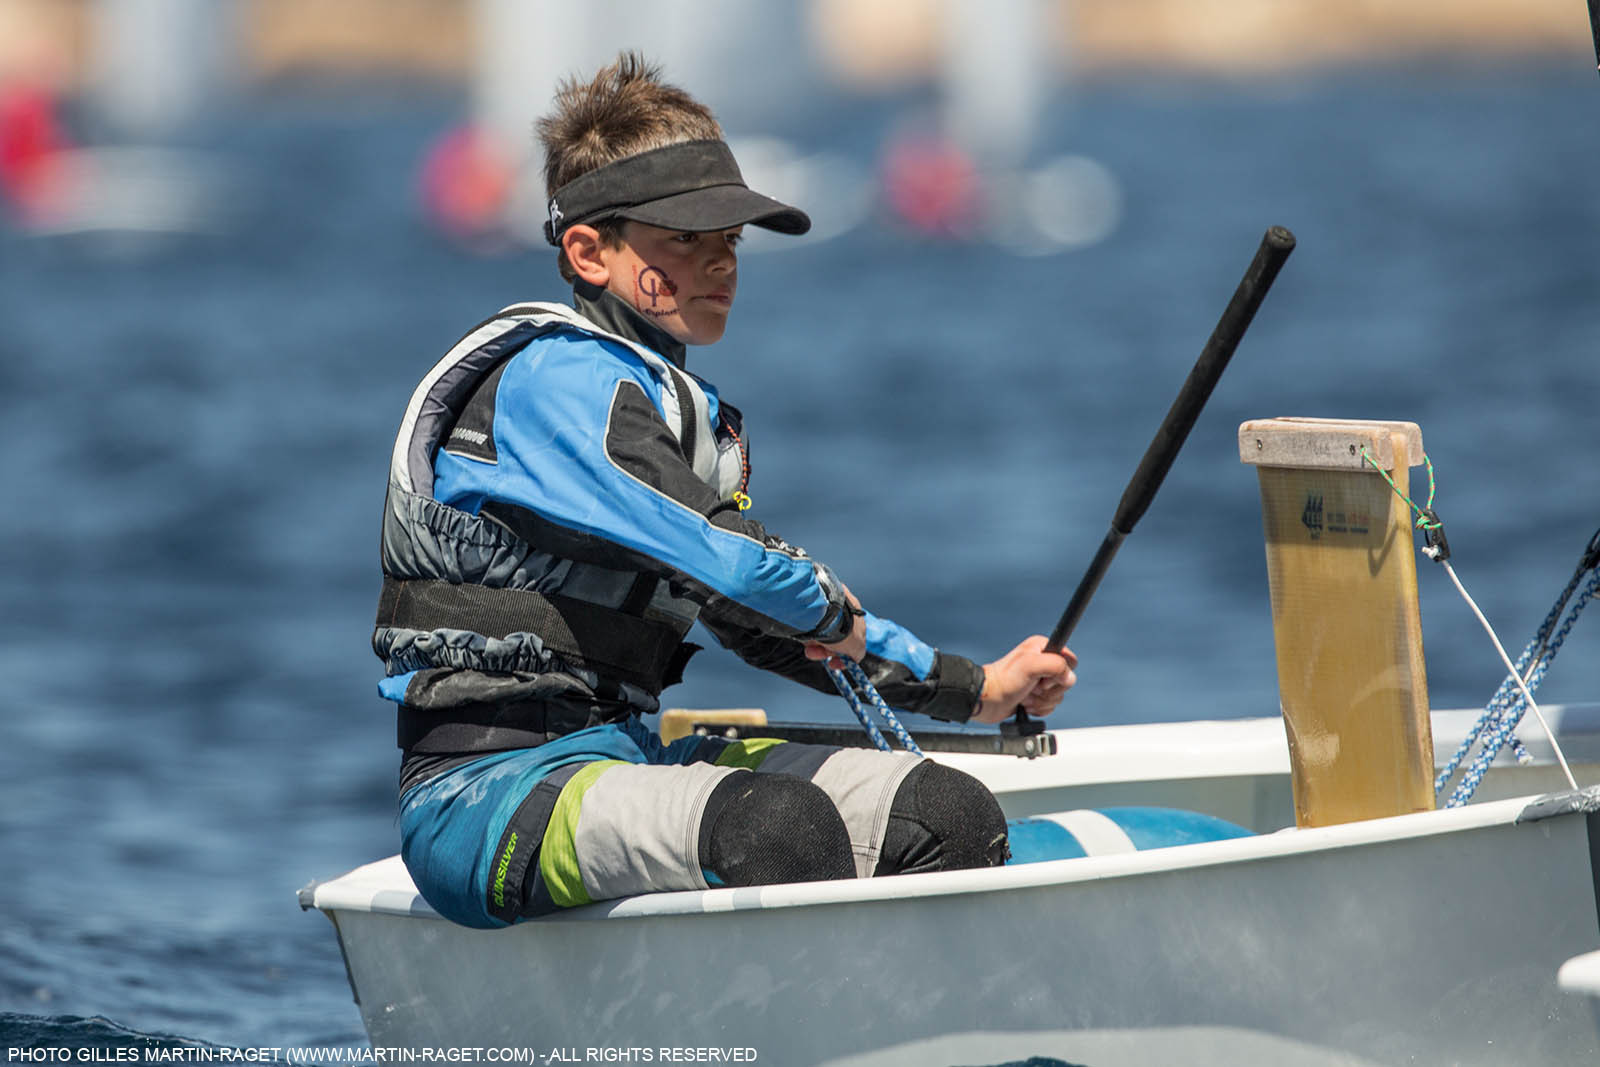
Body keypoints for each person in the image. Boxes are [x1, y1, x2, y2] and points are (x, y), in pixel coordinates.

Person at [376, 52, 1076, 929]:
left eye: (730, 240)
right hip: (485, 795)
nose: (721, 263)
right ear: (589, 251)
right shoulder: (551, 384)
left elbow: (763, 622)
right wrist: (822, 599)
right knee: (780, 830)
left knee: (945, 815)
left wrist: (977, 688)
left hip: (626, 757)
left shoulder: (669, 409)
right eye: (684, 239)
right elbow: (725, 556)